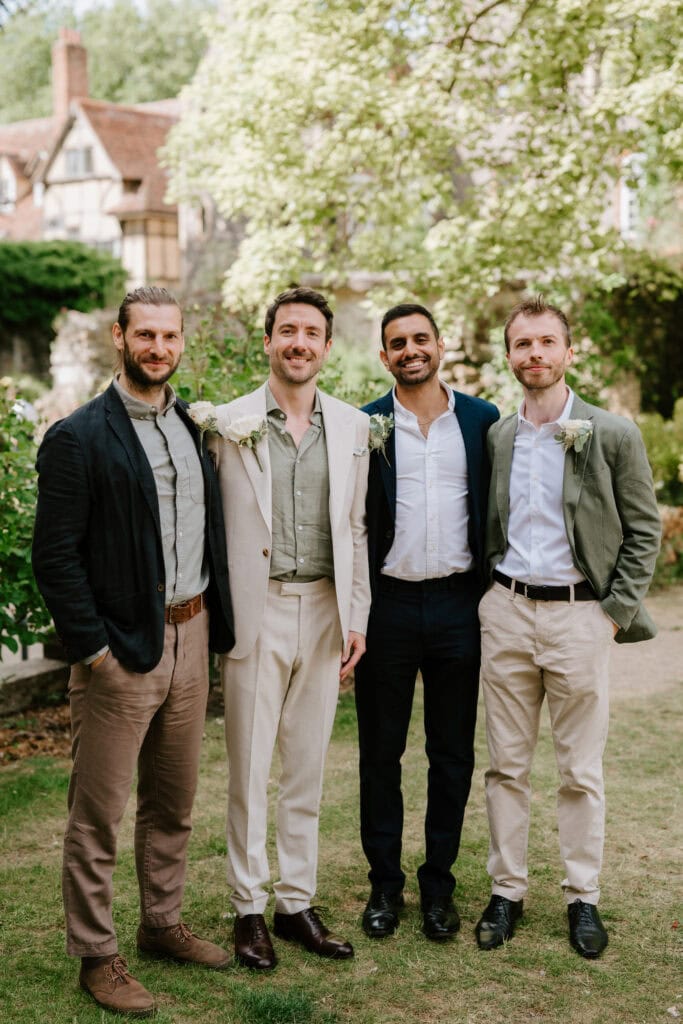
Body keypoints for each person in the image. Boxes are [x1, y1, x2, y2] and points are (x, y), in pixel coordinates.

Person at [32, 286, 234, 1017]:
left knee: (173, 803)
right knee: (98, 815)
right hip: (121, 649)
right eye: (144, 335)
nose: (158, 348)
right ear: (119, 338)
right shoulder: (78, 436)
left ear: (183, 343)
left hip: (193, 634)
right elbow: (54, 557)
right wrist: (92, 650)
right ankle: (97, 954)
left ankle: (160, 924)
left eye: (169, 336)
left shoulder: (191, 424)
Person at [475, 295, 661, 958]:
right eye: (522, 344)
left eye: (546, 342)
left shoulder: (610, 433)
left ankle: (582, 898)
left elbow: (644, 531)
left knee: (579, 769)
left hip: (581, 617)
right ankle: (506, 893)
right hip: (506, 612)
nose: (535, 355)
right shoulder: (499, 434)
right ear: (509, 356)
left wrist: (608, 616)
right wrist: (491, 605)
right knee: (504, 766)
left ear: (568, 351)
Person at [212, 286, 370, 970]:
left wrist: (356, 616)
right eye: (287, 331)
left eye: (311, 332)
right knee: (248, 767)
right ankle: (248, 909)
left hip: (327, 610)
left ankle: (295, 901)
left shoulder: (353, 426)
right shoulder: (225, 422)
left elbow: (355, 528)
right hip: (256, 609)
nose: (298, 342)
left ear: (327, 347)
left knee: (305, 766)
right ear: (268, 341)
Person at [355, 303, 499, 941]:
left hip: (458, 607)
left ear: (440, 345)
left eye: (420, 339)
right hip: (386, 606)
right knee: (380, 754)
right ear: (383, 356)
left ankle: (438, 887)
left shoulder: (482, 419)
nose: (410, 350)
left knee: (452, 753)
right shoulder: (364, 426)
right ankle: (384, 887)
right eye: (397, 343)